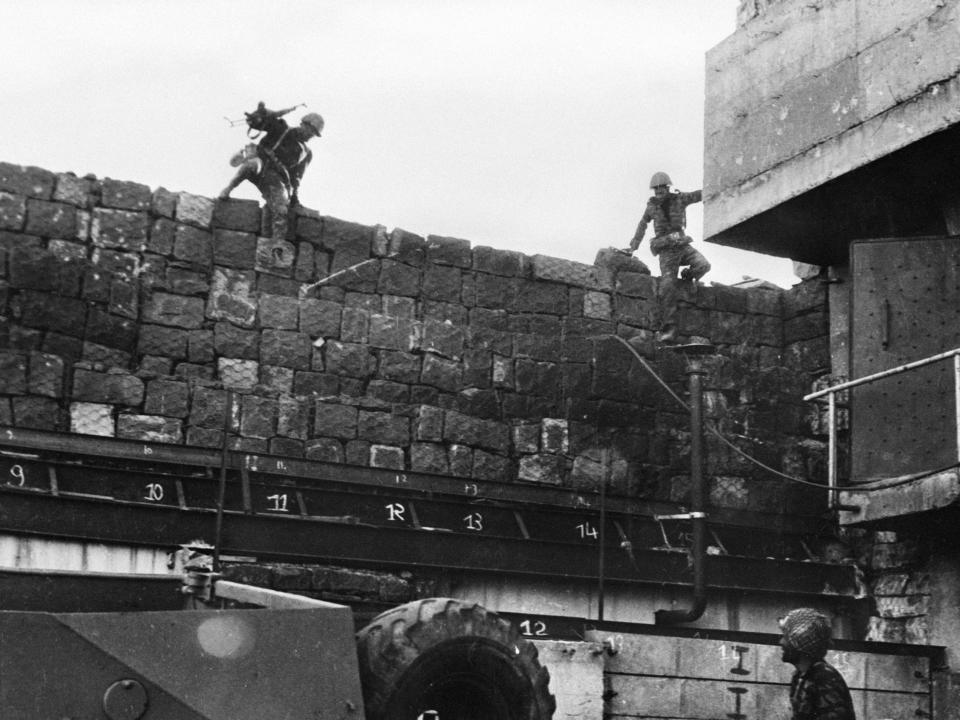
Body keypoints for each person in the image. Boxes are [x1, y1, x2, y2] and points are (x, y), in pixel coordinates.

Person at [621, 171, 710, 343]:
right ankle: (669, 330)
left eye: (662, 188)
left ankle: (686, 276)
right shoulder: (652, 207)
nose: (659, 191)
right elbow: (642, 226)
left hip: (682, 246)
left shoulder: (680, 199)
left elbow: (698, 195)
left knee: (703, 265)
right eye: (656, 189)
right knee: (668, 286)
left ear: (667, 187)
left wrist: (715, 186)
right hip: (666, 251)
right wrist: (633, 247)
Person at [219, 102, 324, 240]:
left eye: (314, 134)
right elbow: (262, 123)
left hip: (274, 177)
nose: (311, 135)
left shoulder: (306, 153)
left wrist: (293, 199)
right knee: (250, 166)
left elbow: (296, 178)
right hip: (261, 162)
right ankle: (228, 189)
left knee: (281, 209)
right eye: (310, 130)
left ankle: (277, 245)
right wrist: (258, 117)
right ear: (303, 124)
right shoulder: (282, 128)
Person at [779, 608, 856, 720]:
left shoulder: (824, 678)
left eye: (786, 638)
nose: (780, 642)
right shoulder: (800, 676)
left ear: (800, 642)